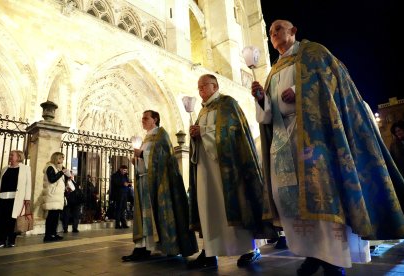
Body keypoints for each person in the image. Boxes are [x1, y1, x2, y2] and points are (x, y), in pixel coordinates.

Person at [251, 19, 404, 275]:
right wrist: (261, 99)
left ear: (293, 31)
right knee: (289, 198)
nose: (273, 34)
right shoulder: (273, 70)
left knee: (322, 195)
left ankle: (332, 256)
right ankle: (312, 253)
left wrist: (299, 90)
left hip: (314, 137)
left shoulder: (314, 53)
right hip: (282, 140)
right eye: (270, 32)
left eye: (278, 28)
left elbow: (335, 82)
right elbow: (267, 115)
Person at [188, 74, 276, 269]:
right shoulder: (202, 112)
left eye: (204, 86)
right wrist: (194, 135)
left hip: (227, 169)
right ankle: (209, 252)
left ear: (215, 85)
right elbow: (201, 137)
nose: (200, 90)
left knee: (237, 205)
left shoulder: (227, 104)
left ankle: (250, 249)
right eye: (198, 87)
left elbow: (233, 130)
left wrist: (202, 132)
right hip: (205, 169)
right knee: (208, 207)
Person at [121, 110, 198, 262]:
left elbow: (163, 158)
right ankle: (142, 247)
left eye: (146, 118)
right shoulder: (146, 138)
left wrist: (142, 155)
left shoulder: (162, 136)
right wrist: (136, 161)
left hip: (159, 185)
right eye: (142, 118)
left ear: (155, 119)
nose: (142, 120)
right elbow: (145, 160)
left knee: (153, 215)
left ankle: (158, 246)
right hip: (144, 182)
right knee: (144, 216)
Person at [0, 150, 32, 248]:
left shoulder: (25, 169)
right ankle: (1, 240)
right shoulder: (5, 169)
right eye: (10, 155)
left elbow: (28, 185)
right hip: (2, 198)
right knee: (1, 220)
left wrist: (27, 200)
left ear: (19, 157)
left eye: (12, 155)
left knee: (12, 221)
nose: (10, 157)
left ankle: (11, 239)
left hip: (16, 199)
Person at [42, 152, 70, 242]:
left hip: (57, 196)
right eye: (61, 158)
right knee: (51, 216)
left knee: (55, 216)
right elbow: (52, 179)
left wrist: (65, 174)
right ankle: (48, 235)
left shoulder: (57, 168)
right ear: (56, 158)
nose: (62, 160)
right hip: (52, 195)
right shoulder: (50, 167)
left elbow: (60, 181)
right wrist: (62, 172)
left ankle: (53, 234)